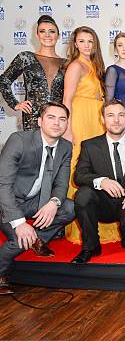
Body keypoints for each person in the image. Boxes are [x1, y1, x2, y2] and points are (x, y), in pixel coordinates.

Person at [0, 102, 75, 294]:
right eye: (51, 117)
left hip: (34, 200)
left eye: (62, 119)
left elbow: (61, 184)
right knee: (20, 239)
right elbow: (4, 185)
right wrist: (20, 223)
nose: (57, 123)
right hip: (6, 202)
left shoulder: (65, 146)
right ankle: (1, 272)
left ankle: (36, 239)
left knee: (70, 207)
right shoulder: (19, 140)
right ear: (40, 121)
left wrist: (54, 202)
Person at [71, 99, 125, 263]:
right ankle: (91, 246)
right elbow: (79, 175)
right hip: (102, 204)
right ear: (103, 119)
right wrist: (102, 181)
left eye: (121, 115)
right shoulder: (90, 146)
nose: (116, 120)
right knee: (83, 195)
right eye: (111, 115)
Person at [62, 26, 108, 244]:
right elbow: (67, 100)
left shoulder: (96, 65)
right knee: (80, 166)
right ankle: (80, 228)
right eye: (82, 41)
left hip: (97, 120)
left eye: (90, 41)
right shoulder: (75, 66)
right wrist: (68, 129)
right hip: (81, 119)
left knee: (99, 167)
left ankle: (102, 222)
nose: (87, 45)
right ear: (75, 44)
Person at [0, 15, 66, 131]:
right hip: (33, 118)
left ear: (58, 35)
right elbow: (4, 80)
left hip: (58, 120)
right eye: (42, 31)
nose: (47, 35)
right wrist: (14, 103)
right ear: (37, 35)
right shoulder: (25, 57)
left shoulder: (67, 64)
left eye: (52, 31)